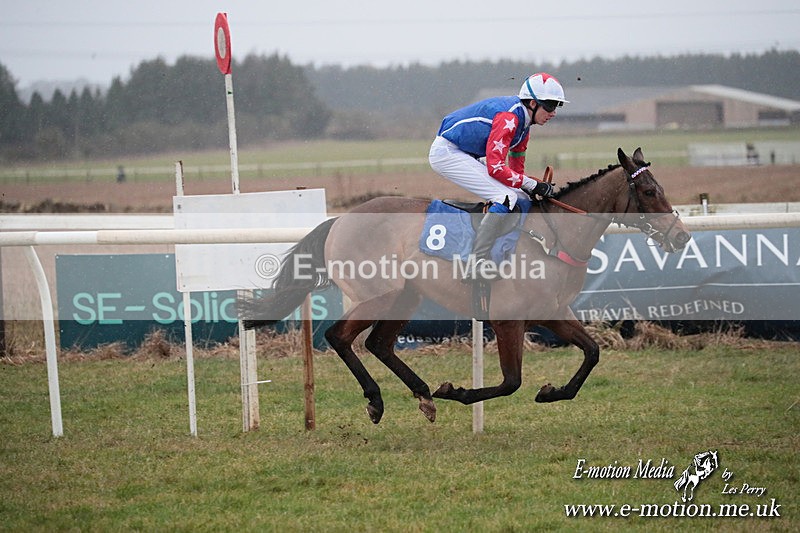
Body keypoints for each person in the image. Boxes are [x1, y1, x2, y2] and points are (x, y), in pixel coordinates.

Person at [429, 72, 568, 280]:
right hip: (448, 152)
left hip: (467, 152)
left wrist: (531, 187)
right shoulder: (509, 119)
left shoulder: (524, 125)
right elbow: (495, 167)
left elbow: (516, 171)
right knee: (505, 197)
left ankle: (508, 251)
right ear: (532, 103)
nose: (553, 112)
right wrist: (531, 184)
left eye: (557, 106)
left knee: (520, 196)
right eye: (549, 105)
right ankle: (476, 263)